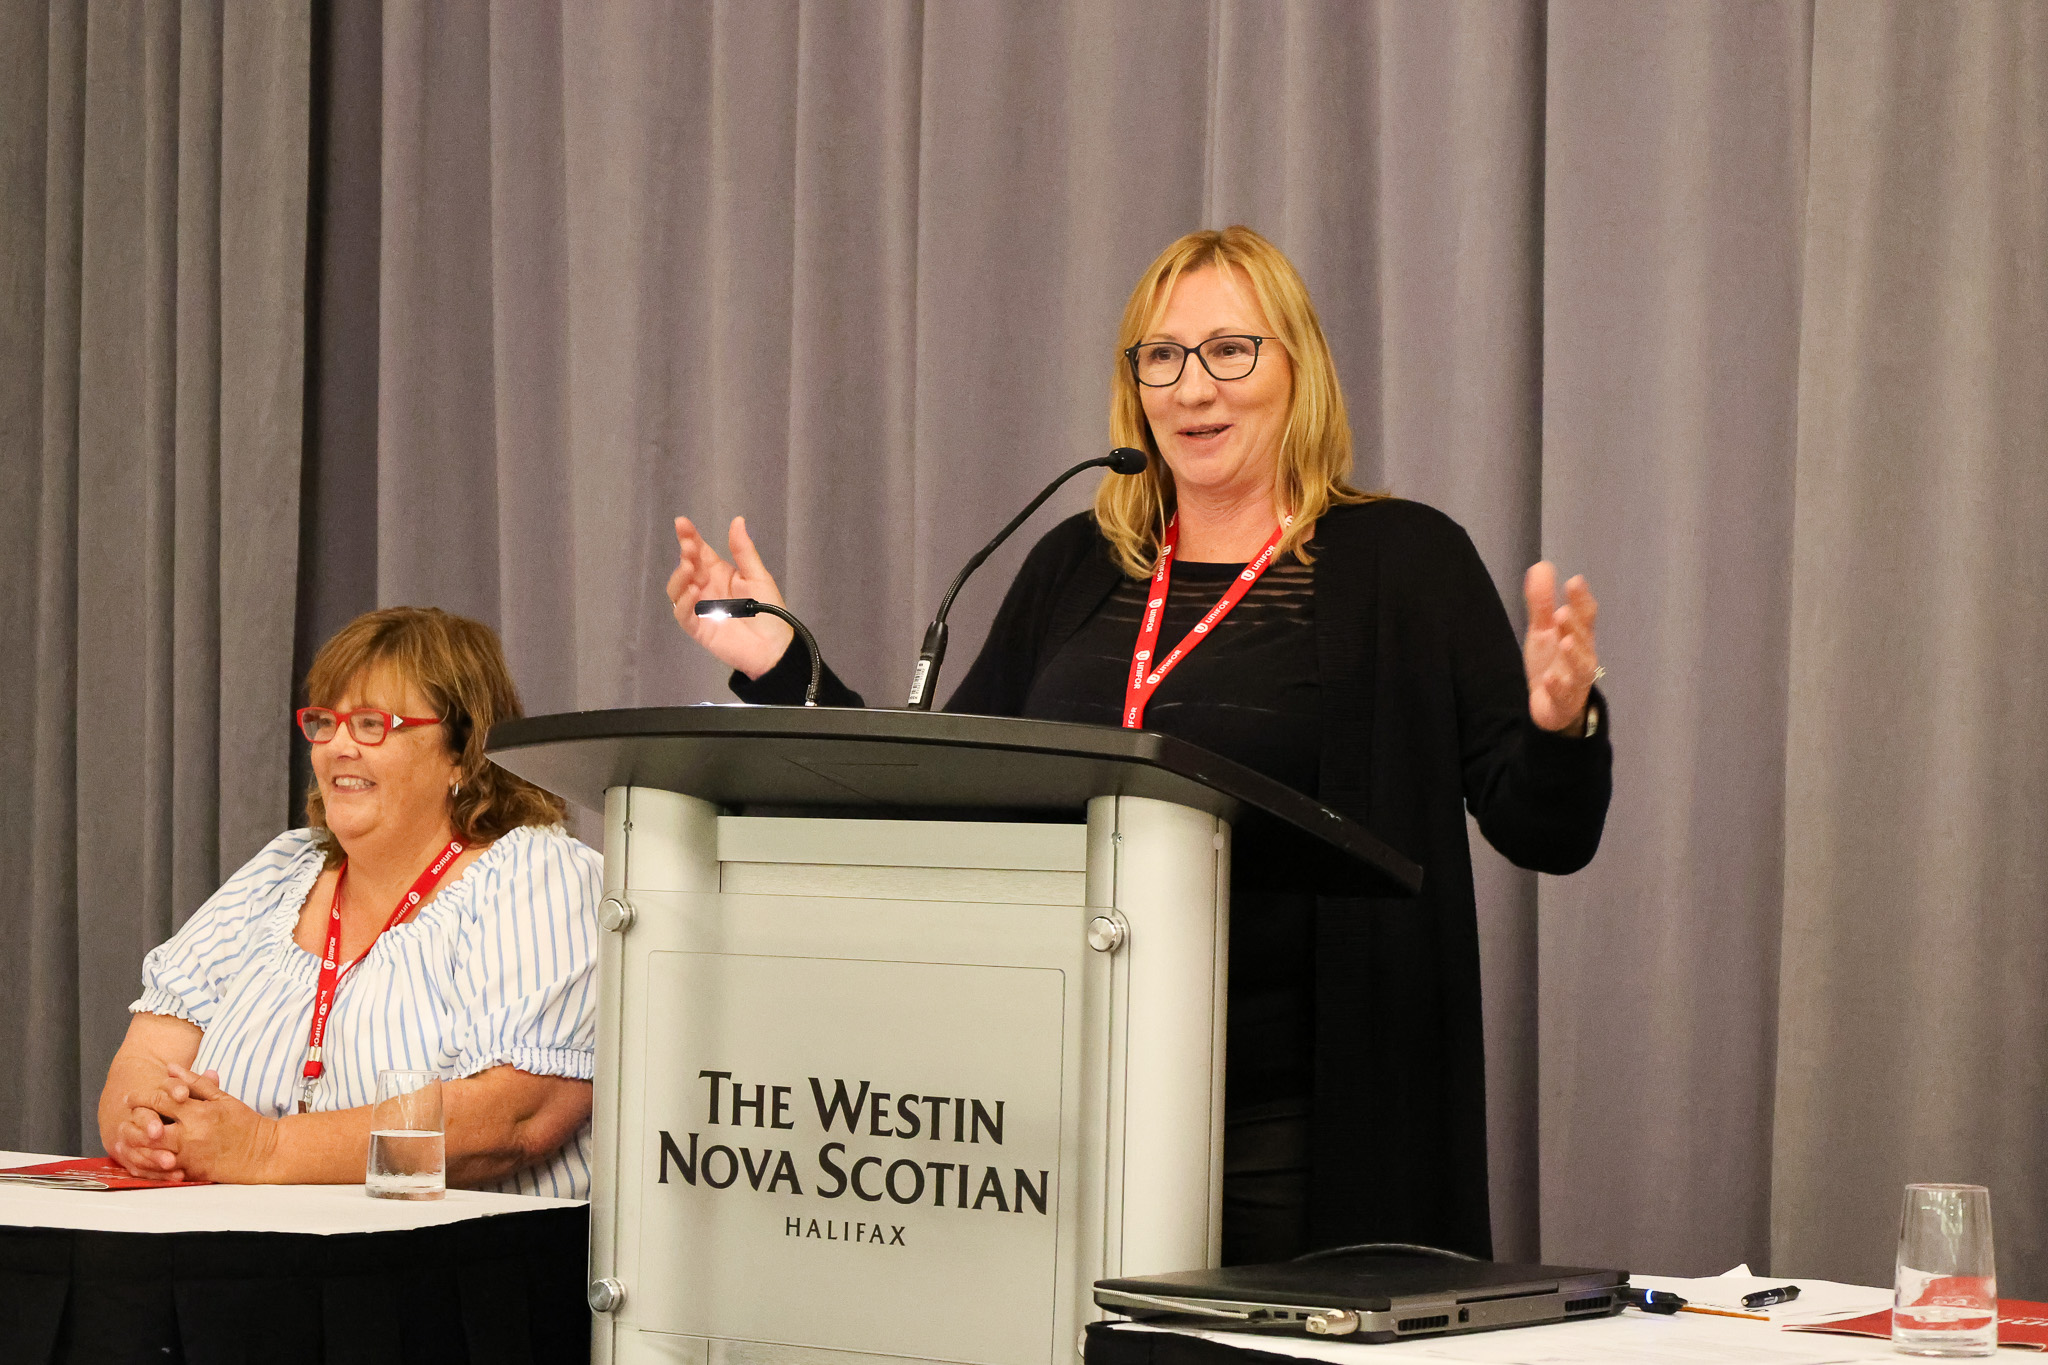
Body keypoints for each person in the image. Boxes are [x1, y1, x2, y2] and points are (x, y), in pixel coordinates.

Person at [664, 226, 1610, 1261]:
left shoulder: (1403, 562)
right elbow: (941, 798)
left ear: (1298, 367)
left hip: (1295, 1132)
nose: (1191, 388)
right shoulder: (1076, 565)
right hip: (1060, 1115)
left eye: (1228, 350)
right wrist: (778, 662)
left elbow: (1541, 829)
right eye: (1160, 357)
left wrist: (1559, 725)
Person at [97, 607, 602, 1198]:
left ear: (464, 754)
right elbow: (148, 1061)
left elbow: (514, 1119)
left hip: (452, 1273)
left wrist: (266, 1148)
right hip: (247, 1263)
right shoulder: (281, 869)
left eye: (371, 724)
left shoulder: (537, 876)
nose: (337, 746)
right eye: (325, 722)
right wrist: (145, 1131)